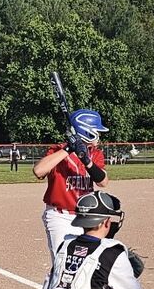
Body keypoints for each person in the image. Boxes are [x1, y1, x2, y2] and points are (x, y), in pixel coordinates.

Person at [32, 110, 110, 256]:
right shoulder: (58, 151)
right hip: (60, 216)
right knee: (63, 262)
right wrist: (68, 149)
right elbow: (38, 171)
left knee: (86, 262)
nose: (99, 137)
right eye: (97, 132)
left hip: (86, 217)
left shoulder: (95, 154)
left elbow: (103, 181)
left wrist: (85, 159)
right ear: (87, 132)